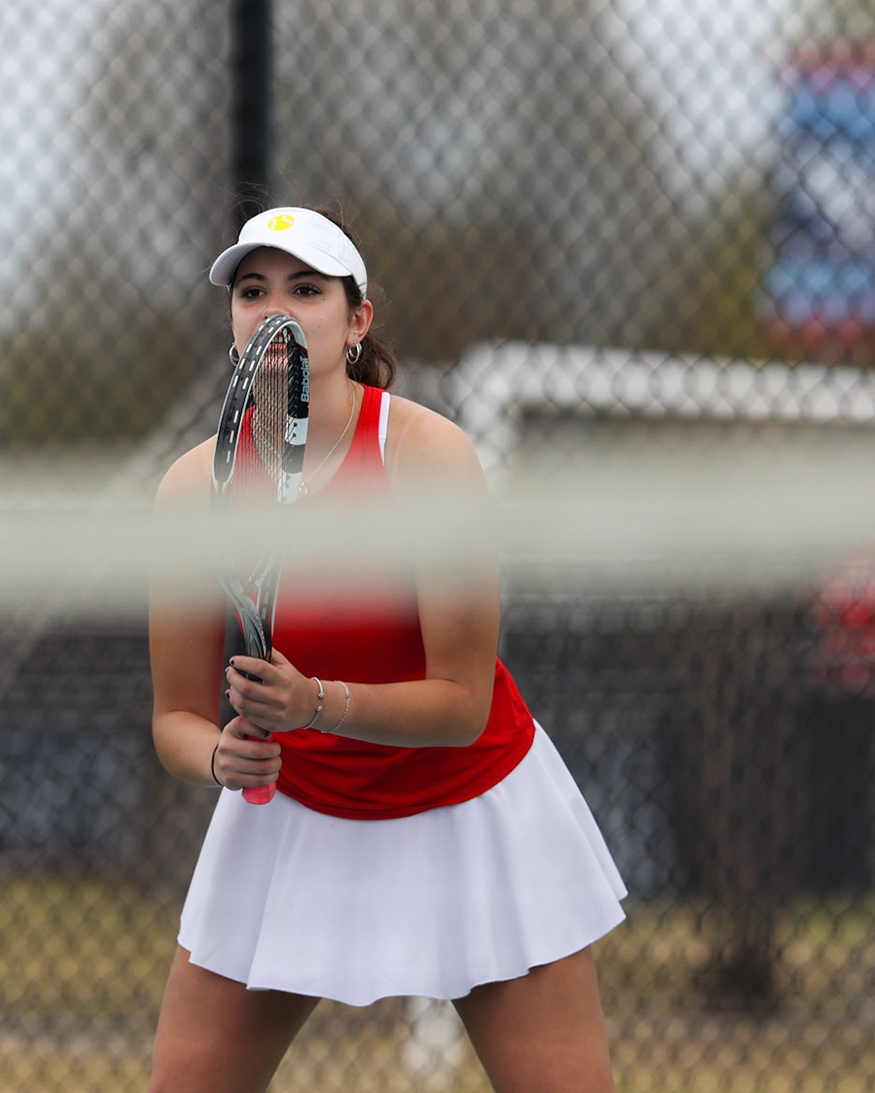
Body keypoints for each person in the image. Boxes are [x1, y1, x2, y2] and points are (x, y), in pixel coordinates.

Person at [147, 206, 627, 1092]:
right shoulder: (193, 490)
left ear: (357, 320)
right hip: (293, 812)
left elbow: (461, 703)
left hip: (467, 803)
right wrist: (219, 755)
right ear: (232, 322)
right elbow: (174, 717)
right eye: (253, 291)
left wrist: (314, 703)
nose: (276, 310)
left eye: (306, 289)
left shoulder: (427, 456)